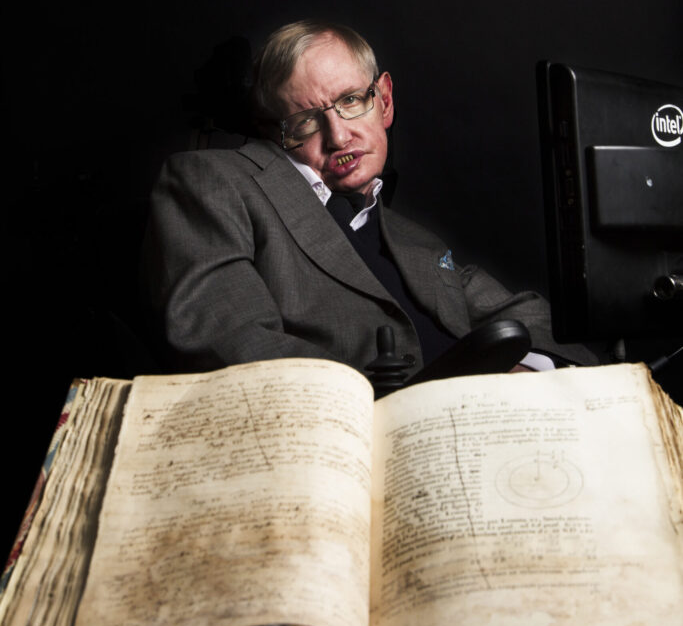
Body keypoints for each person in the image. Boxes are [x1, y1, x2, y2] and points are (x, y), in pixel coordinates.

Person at [141, 21, 599, 375]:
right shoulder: (214, 180)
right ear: (278, 134)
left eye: (350, 101)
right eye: (304, 122)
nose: (339, 136)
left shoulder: (415, 240)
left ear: (385, 100)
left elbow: (532, 317)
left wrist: (529, 371)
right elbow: (227, 341)